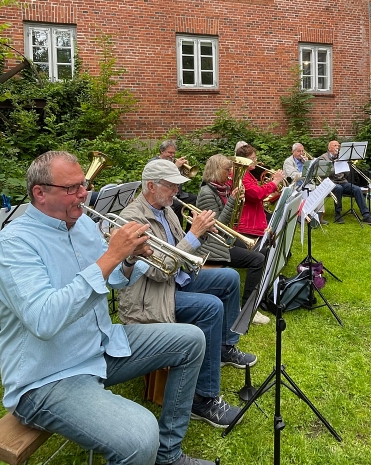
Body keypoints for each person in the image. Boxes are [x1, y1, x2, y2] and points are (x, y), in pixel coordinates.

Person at [0, 151, 213, 465]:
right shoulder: (14, 244)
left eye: (84, 185)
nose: (84, 194)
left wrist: (130, 258)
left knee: (191, 340)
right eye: (72, 188)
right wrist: (110, 257)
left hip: (98, 345)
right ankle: (155, 450)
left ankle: (168, 456)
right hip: (48, 375)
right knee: (140, 435)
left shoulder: (81, 226)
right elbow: (44, 320)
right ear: (40, 193)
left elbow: (116, 281)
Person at [119, 159, 256, 429]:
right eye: (171, 186)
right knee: (210, 307)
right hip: (151, 297)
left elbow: (184, 252)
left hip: (176, 280)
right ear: (150, 186)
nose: (176, 192)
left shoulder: (166, 208)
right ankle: (202, 400)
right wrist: (194, 234)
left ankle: (225, 347)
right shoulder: (132, 218)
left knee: (228, 278)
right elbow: (160, 271)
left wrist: (202, 235)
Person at [196, 154, 269, 326]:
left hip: (223, 238)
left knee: (262, 249)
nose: (230, 174)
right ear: (215, 170)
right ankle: (248, 309)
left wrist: (236, 202)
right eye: (227, 170)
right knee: (257, 259)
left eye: (231, 170)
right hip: (212, 244)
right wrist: (232, 202)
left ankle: (259, 297)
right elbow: (217, 226)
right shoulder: (207, 193)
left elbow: (229, 220)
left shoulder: (220, 189)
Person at [319, 141, 371, 225]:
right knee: (338, 188)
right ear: (329, 148)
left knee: (357, 189)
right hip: (330, 183)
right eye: (335, 145)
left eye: (338, 146)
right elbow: (324, 172)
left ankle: (366, 215)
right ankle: (338, 214)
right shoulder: (323, 158)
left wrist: (345, 165)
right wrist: (335, 164)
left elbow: (346, 174)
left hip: (342, 182)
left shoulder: (342, 157)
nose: (337, 147)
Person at [235, 144, 286, 237]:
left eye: (255, 158)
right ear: (244, 160)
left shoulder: (247, 174)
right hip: (248, 225)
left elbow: (257, 190)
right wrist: (275, 182)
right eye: (253, 158)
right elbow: (256, 194)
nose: (256, 161)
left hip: (254, 219)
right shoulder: (242, 176)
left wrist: (270, 184)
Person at [282, 142, 327, 224]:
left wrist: (309, 164)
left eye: (303, 151)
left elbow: (313, 173)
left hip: (306, 183)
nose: (302, 153)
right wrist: (306, 171)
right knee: (307, 190)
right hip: (295, 185)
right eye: (299, 151)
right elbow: (293, 176)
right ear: (293, 152)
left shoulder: (304, 160)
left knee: (319, 190)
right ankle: (303, 215)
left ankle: (319, 216)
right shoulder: (288, 161)